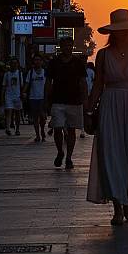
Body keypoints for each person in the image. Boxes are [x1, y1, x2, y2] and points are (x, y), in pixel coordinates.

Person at [86, 9, 128, 226]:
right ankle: (119, 205)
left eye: (126, 30)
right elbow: (98, 84)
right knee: (113, 156)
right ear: (112, 32)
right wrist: (88, 111)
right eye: (119, 30)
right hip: (110, 106)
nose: (123, 34)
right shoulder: (103, 55)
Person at [45, 37, 88, 169]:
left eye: (70, 45)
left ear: (72, 47)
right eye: (65, 45)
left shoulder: (78, 62)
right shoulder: (54, 62)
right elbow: (48, 82)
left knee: (71, 130)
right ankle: (60, 152)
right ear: (60, 47)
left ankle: (69, 157)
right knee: (57, 128)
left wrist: (85, 100)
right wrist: (46, 99)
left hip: (74, 101)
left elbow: (83, 82)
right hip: (58, 100)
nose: (67, 48)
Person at [23, 53, 47, 143]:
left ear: (42, 62)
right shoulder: (31, 72)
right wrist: (24, 92)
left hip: (42, 98)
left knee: (43, 117)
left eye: (39, 60)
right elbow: (27, 83)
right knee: (35, 117)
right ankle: (37, 135)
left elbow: (48, 85)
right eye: (35, 60)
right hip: (33, 98)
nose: (37, 62)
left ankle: (42, 130)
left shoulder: (45, 72)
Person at [2, 57, 23, 136]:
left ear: (17, 64)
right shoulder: (7, 74)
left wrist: (22, 94)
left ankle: (17, 129)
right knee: (9, 112)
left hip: (17, 96)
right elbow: (4, 86)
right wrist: (2, 96)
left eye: (15, 63)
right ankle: (7, 128)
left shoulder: (19, 73)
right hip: (9, 95)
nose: (14, 65)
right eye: (12, 63)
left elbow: (21, 85)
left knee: (17, 113)